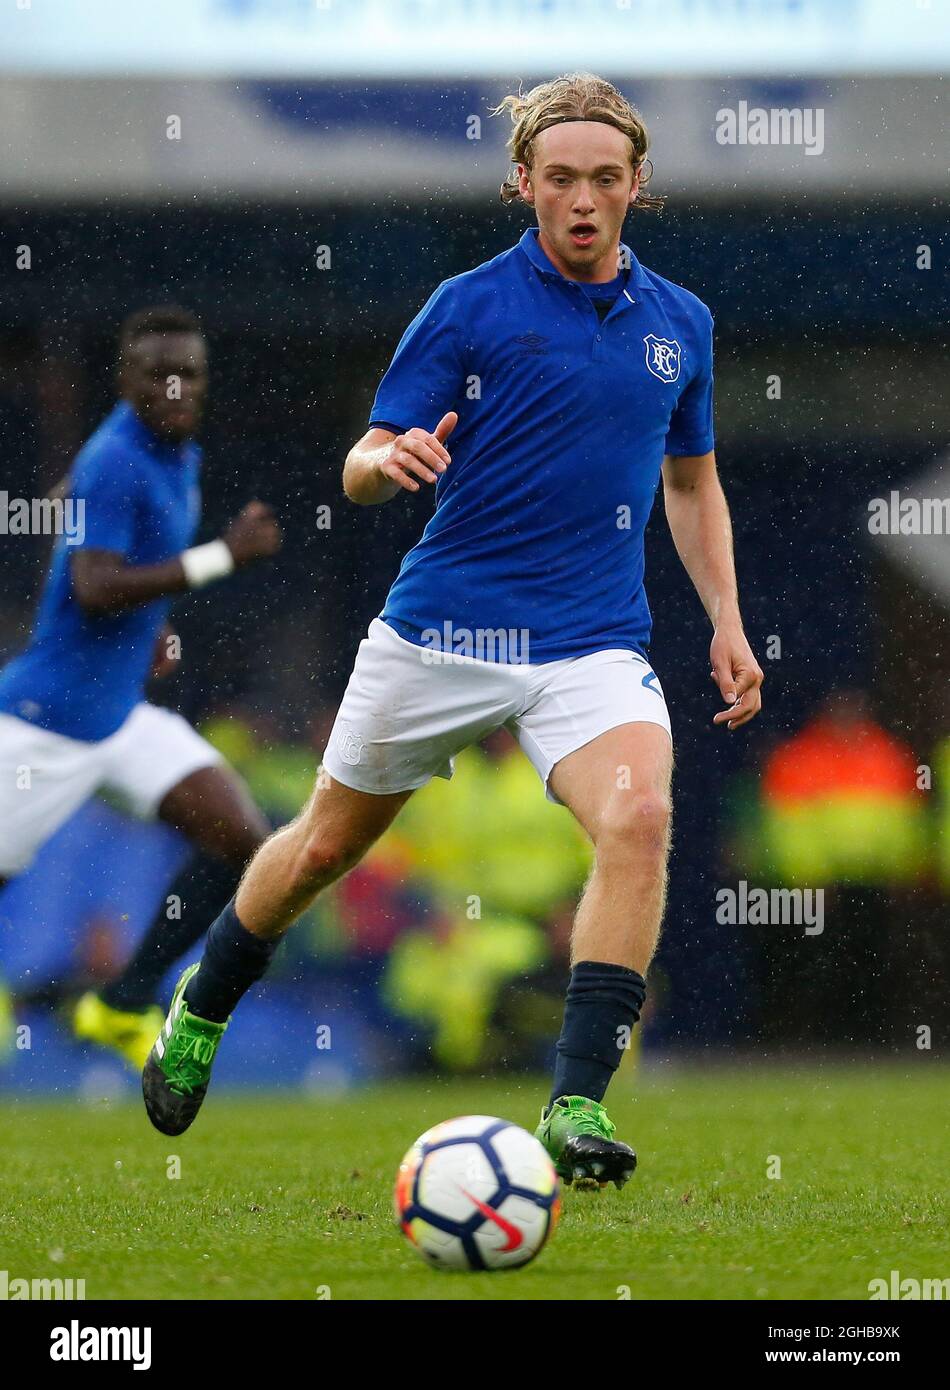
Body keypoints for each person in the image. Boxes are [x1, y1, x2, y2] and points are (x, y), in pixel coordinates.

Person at [143, 76, 763, 1190]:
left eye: (604, 180)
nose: (581, 200)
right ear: (521, 182)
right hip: (442, 633)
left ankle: (574, 1099)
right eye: (560, 178)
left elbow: (691, 483)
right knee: (323, 847)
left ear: (636, 188)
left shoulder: (682, 324)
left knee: (641, 816)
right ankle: (205, 998)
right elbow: (363, 462)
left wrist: (724, 617)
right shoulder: (467, 305)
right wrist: (388, 465)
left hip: (591, 643)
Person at [0, 305, 281, 1067]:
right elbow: (94, 587)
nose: (176, 387)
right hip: (44, 721)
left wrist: (144, 628)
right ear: (125, 382)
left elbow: (89, 541)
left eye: (189, 373)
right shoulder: (118, 457)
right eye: (157, 374)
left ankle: (122, 1002)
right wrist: (222, 555)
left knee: (248, 847)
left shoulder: (173, 450)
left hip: (119, 715)